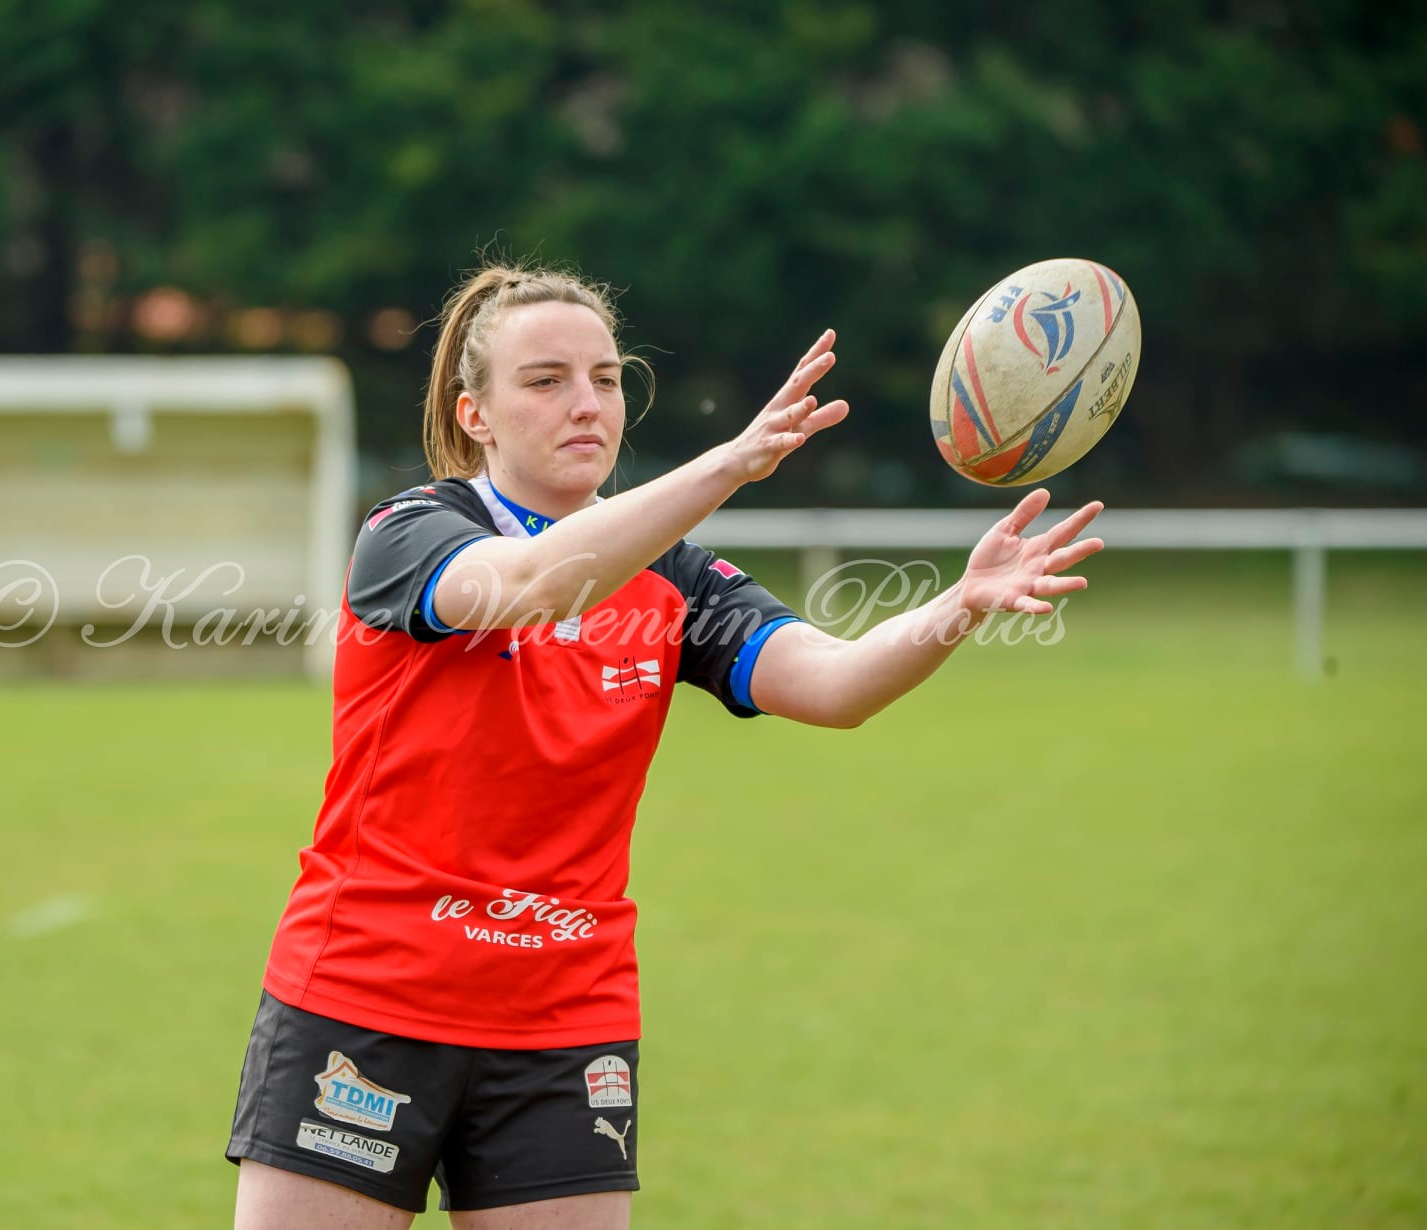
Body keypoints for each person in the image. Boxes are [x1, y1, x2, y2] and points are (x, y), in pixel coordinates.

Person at [226, 261, 1104, 1229]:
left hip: (566, 1020)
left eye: (605, 379)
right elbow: (532, 585)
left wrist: (961, 603)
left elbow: (835, 685)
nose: (586, 404)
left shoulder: (673, 580)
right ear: (475, 415)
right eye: (546, 380)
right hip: (367, 997)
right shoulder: (409, 534)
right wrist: (729, 464)